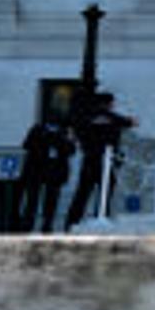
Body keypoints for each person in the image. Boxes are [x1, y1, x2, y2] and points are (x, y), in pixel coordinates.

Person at [63, 88, 134, 231]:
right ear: (108, 104)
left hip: (89, 158)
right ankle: (101, 217)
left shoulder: (86, 117)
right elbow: (130, 122)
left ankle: (71, 222)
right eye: (112, 103)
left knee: (83, 192)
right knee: (106, 188)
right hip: (104, 160)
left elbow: (76, 131)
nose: (113, 105)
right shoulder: (111, 117)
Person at [11, 106, 76, 234]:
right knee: (32, 200)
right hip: (37, 169)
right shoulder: (37, 130)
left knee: (50, 200)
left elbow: (71, 150)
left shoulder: (65, 132)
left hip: (55, 170)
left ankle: (47, 224)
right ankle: (29, 224)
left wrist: (58, 142)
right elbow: (27, 145)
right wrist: (46, 143)